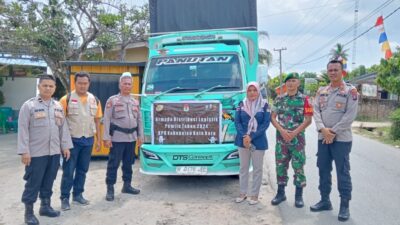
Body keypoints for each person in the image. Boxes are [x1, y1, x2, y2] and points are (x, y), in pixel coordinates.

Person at [17, 74, 72, 225]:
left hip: (54, 152)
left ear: (55, 88)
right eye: (45, 85)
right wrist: (24, 151)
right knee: (33, 182)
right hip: (36, 154)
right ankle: (29, 213)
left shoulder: (58, 106)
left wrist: (65, 146)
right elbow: (23, 130)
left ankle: (45, 207)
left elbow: (63, 129)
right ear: (39, 87)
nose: (48, 88)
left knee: (49, 180)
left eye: (51, 86)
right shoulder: (29, 106)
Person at [310, 59, 359, 222]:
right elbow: (316, 111)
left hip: (342, 140)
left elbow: (349, 116)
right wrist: (323, 130)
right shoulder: (321, 91)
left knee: (342, 172)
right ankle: (325, 200)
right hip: (322, 137)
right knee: (323, 169)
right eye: (330, 70)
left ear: (342, 71)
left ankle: (344, 206)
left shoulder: (350, 92)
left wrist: (332, 132)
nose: (332, 72)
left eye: (335, 70)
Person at [59, 71, 102, 210]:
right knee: (68, 170)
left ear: (89, 83)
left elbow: (97, 121)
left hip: (88, 140)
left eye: (85, 83)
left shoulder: (95, 99)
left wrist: (99, 140)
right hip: (71, 141)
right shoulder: (66, 99)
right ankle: (65, 198)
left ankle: (78, 195)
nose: (83, 86)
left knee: (83, 170)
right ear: (75, 83)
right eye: (80, 83)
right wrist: (63, 143)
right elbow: (60, 123)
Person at [270, 72, 313, 208]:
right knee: (280, 166)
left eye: (294, 81)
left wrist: (294, 132)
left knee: (298, 166)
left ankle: (298, 196)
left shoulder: (306, 100)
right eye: (288, 81)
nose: (290, 83)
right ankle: (281, 193)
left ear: (298, 83)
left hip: (297, 140)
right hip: (281, 140)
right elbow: (272, 117)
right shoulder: (279, 99)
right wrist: (282, 131)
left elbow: (308, 119)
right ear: (285, 84)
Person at [103, 72, 144, 201]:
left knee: (128, 163)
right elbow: (107, 119)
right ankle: (110, 188)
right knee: (113, 164)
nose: (127, 86)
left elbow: (139, 120)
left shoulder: (135, 102)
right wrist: (106, 137)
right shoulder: (112, 100)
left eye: (129, 84)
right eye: (124, 83)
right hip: (117, 138)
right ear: (120, 85)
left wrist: (140, 136)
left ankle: (127, 185)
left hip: (131, 138)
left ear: (132, 85)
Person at [234, 81, 270, 205]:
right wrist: (245, 136)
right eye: (249, 90)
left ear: (258, 91)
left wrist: (252, 136)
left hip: (258, 142)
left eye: (254, 90)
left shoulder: (264, 105)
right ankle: (243, 193)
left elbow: (265, 124)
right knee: (243, 168)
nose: (252, 92)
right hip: (242, 140)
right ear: (246, 92)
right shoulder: (241, 104)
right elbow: (237, 121)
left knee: (257, 169)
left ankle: (254, 195)